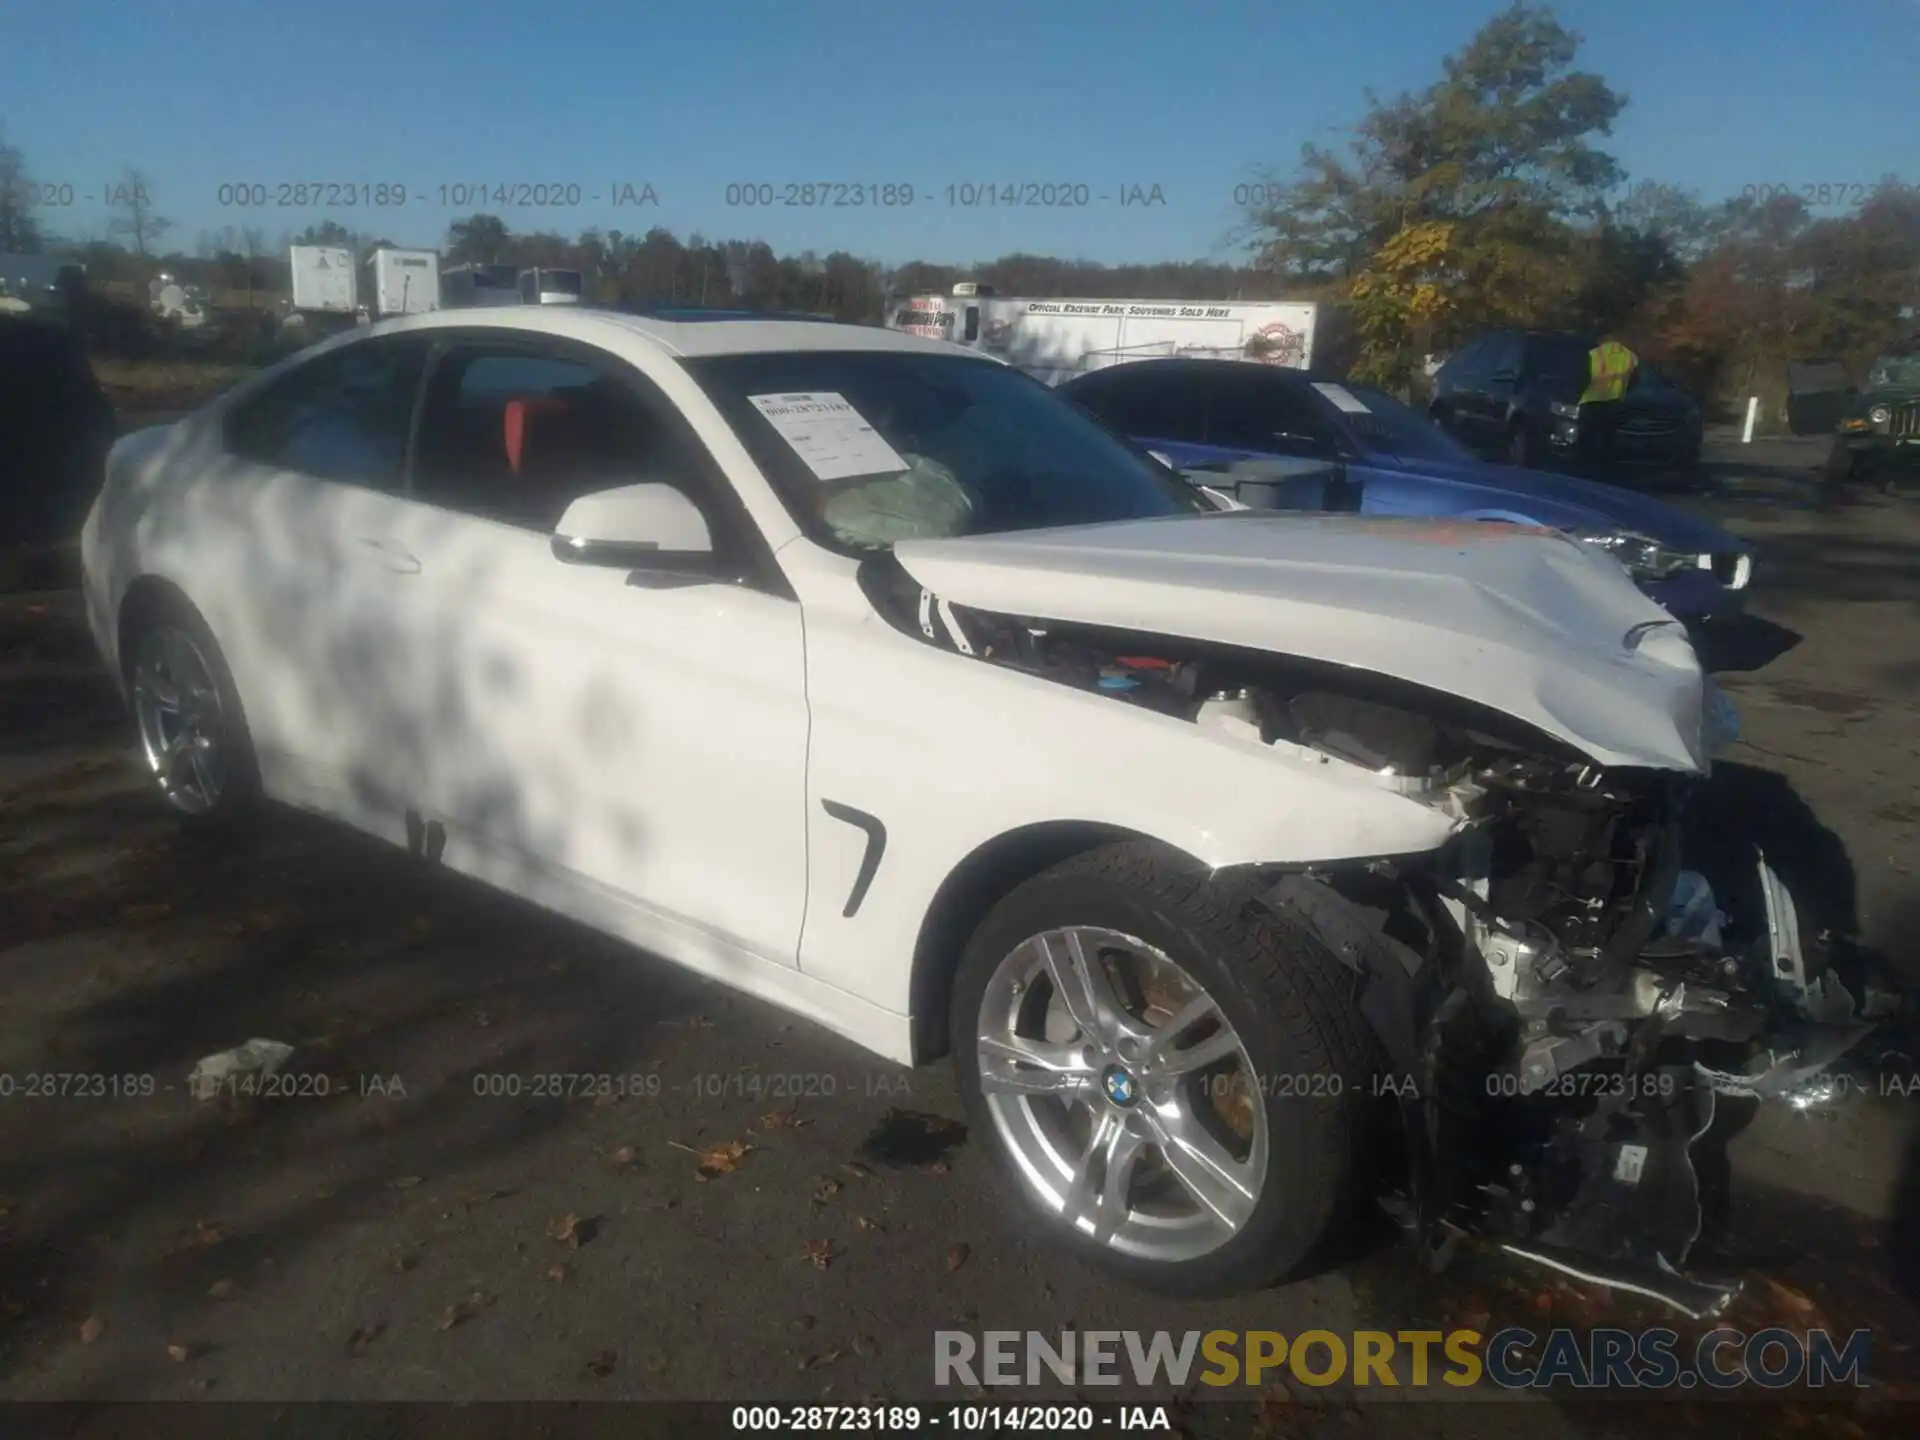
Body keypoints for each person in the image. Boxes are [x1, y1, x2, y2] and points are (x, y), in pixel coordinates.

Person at [1580, 335, 1639, 466]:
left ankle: (1589, 464)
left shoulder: (1596, 353)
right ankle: (1606, 463)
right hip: (1616, 401)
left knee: (1590, 434)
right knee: (1608, 436)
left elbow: (1587, 375)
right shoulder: (1629, 356)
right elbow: (1635, 378)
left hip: (1594, 399)